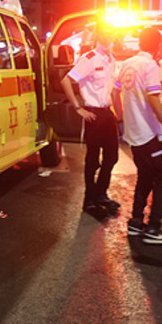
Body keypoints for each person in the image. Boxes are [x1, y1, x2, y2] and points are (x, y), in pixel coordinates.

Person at [113, 27, 162, 244]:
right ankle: (153, 228)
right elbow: (153, 98)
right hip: (149, 133)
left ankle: (135, 222)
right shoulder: (150, 65)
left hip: (134, 133)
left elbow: (114, 92)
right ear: (159, 46)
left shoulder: (127, 64)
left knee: (145, 176)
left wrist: (121, 120)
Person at [61, 22, 120, 215]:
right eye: (105, 33)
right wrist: (78, 108)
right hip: (93, 114)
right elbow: (66, 81)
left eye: (112, 32)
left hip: (107, 113)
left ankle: (101, 194)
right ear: (97, 35)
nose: (108, 36)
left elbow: (111, 89)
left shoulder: (111, 59)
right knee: (93, 160)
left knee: (112, 157)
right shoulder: (89, 58)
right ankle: (89, 200)